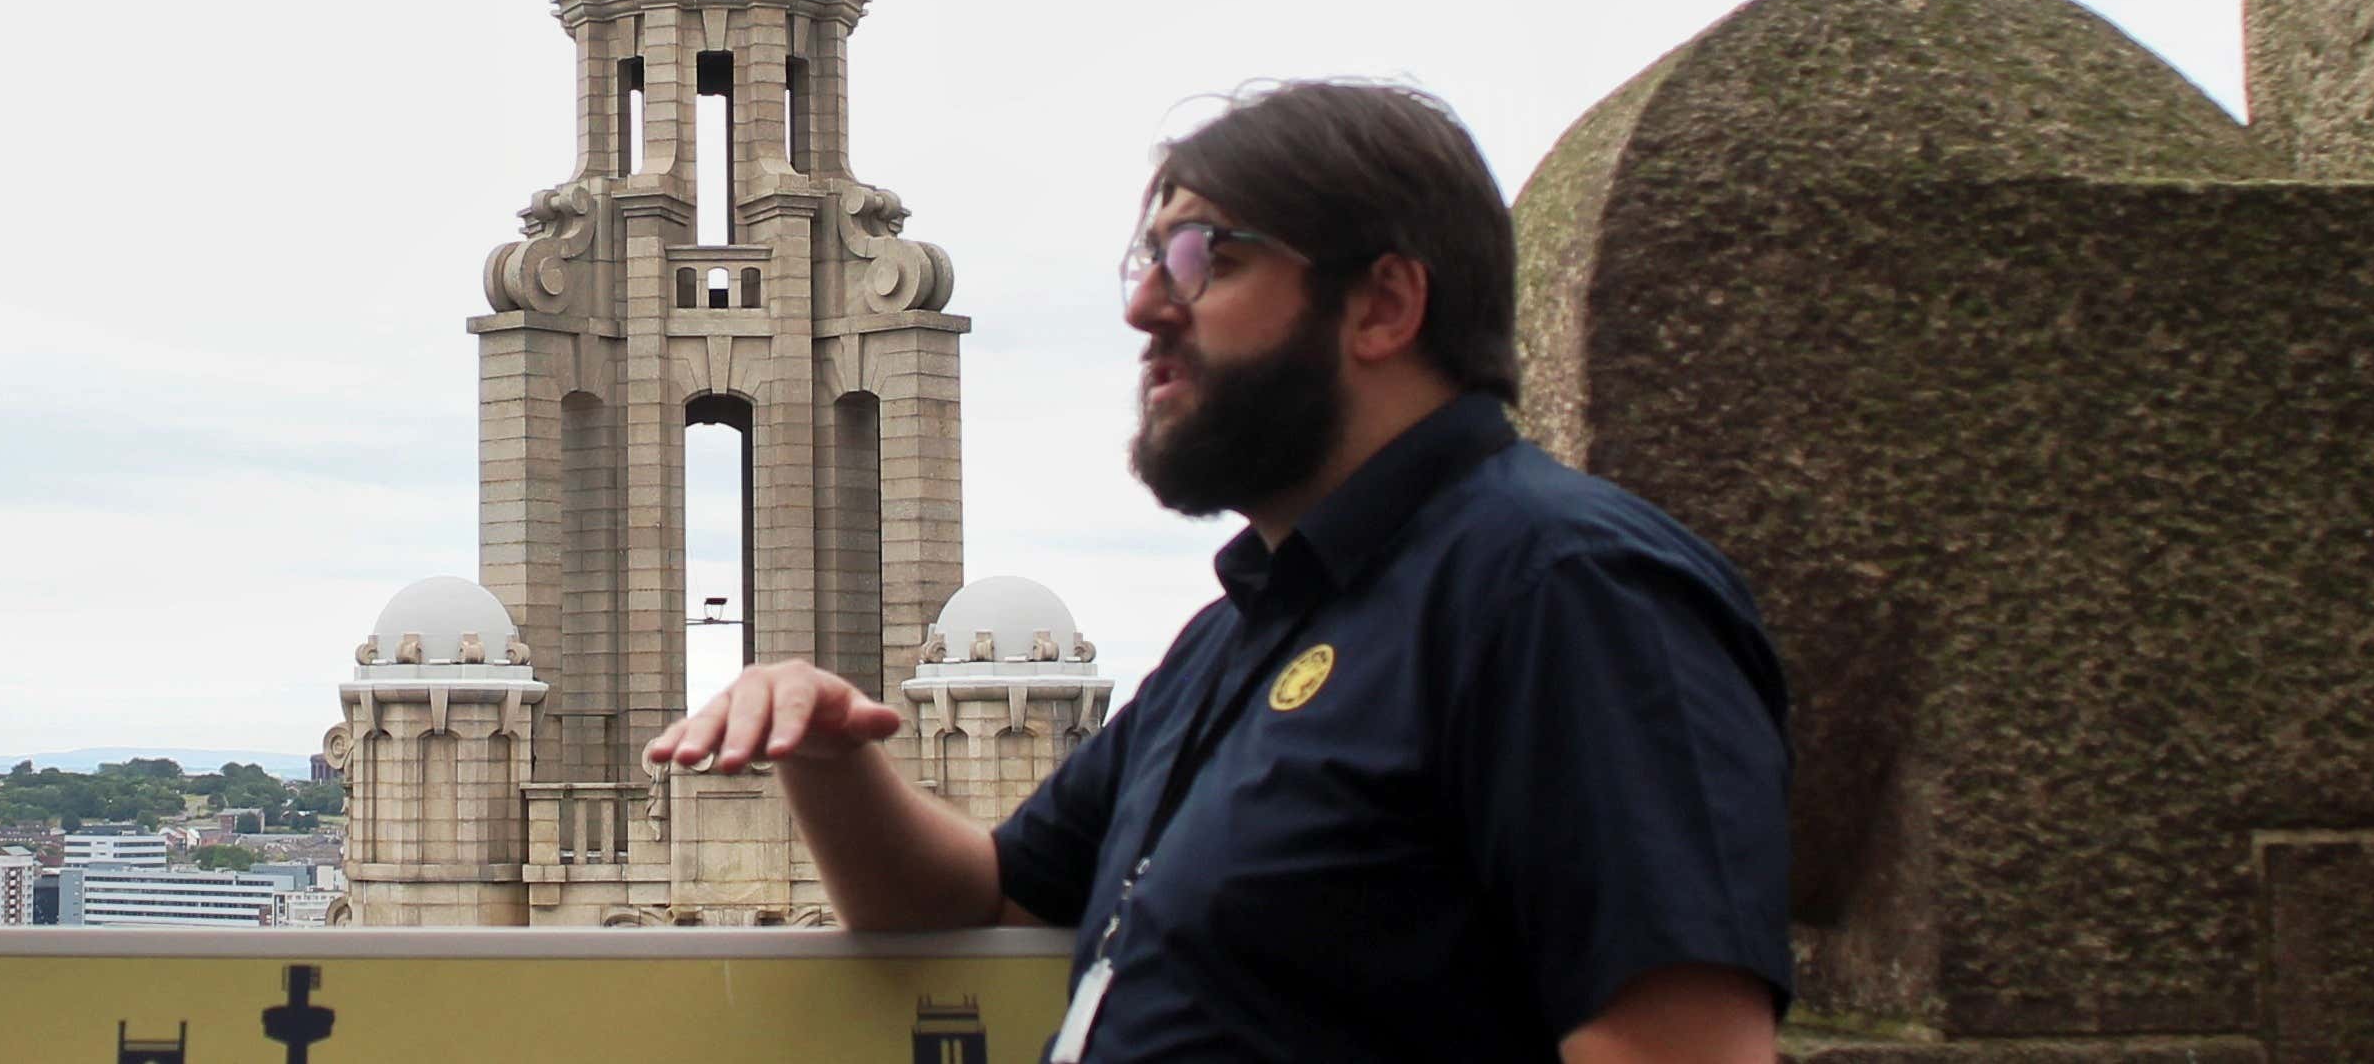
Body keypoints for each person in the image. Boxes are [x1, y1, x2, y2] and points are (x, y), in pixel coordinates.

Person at [648, 81, 1792, 1064]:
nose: (1147, 305)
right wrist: (829, 754)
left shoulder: (1569, 591)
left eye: (1207, 256)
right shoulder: (1240, 633)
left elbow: (1672, 1044)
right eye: (1150, 259)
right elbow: (989, 895)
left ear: (1385, 304)